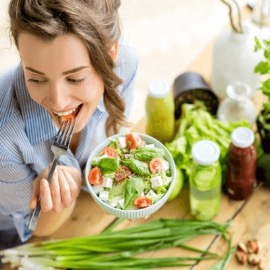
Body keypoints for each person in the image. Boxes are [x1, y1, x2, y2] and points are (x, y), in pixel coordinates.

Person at [0, 0, 138, 250]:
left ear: (111, 55)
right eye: (36, 78)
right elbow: (36, 228)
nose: (58, 101)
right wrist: (57, 194)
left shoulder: (125, 65)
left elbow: (113, 142)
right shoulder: (4, 141)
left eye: (75, 78)